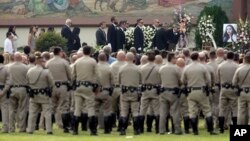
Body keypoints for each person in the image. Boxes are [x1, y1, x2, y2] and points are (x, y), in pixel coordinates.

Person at [181, 52, 217, 135]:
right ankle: (210, 130)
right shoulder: (203, 67)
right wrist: (208, 86)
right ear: (197, 57)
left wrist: (188, 83)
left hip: (191, 91)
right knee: (207, 110)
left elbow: (183, 80)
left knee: (192, 111)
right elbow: (208, 80)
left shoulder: (187, 68)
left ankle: (195, 130)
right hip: (202, 91)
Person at [72, 46, 99, 135]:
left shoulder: (77, 61)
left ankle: (75, 130)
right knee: (90, 108)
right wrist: (96, 87)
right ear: (90, 52)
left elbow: (73, 75)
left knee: (77, 108)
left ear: (83, 52)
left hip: (79, 86)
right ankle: (93, 130)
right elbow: (97, 75)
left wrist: (74, 85)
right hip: (89, 87)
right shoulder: (93, 61)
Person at [45, 47, 72, 133]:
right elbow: (70, 76)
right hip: (63, 86)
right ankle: (65, 127)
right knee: (64, 107)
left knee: (52, 107)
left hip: (52, 86)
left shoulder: (48, 63)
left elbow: (45, 75)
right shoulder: (64, 62)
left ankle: (49, 127)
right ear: (60, 52)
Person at [26, 55, 54, 135]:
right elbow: (52, 83)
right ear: (41, 62)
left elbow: (27, 82)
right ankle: (49, 130)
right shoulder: (46, 71)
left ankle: (30, 129)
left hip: (33, 95)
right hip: (44, 95)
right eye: (44, 61)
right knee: (47, 113)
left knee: (32, 113)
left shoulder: (29, 71)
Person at [118, 52, 142, 135]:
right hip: (135, 91)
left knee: (124, 111)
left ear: (125, 58)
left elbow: (119, 80)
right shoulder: (138, 69)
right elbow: (140, 81)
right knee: (135, 111)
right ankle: (137, 129)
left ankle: (122, 129)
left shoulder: (121, 68)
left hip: (124, 91)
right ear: (134, 59)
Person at [159, 52, 182, 135]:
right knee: (175, 112)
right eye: (175, 58)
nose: (176, 59)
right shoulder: (176, 68)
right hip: (173, 92)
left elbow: (160, 80)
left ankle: (161, 130)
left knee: (163, 112)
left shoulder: (162, 68)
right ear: (172, 58)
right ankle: (177, 129)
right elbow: (181, 80)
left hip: (163, 91)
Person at [139, 51, 161, 134]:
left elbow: (140, 80)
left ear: (147, 58)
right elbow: (160, 80)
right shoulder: (158, 68)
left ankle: (140, 128)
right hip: (155, 89)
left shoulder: (142, 68)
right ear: (154, 58)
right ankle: (157, 129)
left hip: (145, 90)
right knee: (156, 109)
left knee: (143, 109)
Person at [217, 52, 239, 133]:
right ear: (233, 57)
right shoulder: (237, 66)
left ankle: (221, 128)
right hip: (233, 89)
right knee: (235, 108)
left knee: (222, 108)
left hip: (223, 89)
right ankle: (235, 128)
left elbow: (218, 79)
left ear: (226, 56)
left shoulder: (220, 66)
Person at [8, 52, 29, 132]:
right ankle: (22, 127)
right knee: (22, 109)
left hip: (11, 89)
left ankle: (11, 127)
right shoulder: (25, 67)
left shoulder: (8, 67)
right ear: (21, 58)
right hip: (22, 89)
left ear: (14, 58)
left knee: (11, 109)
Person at [96, 53, 113, 134]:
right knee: (107, 110)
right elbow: (113, 81)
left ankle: (93, 128)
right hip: (106, 90)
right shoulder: (109, 67)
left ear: (98, 58)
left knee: (94, 110)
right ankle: (107, 129)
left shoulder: (94, 67)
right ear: (106, 58)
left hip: (95, 91)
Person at [232, 52, 250, 125]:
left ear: (244, 59)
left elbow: (234, 82)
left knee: (241, 111)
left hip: (242, 92)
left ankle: (241, 129)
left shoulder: (239, 69)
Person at [110, 51, 126, 128]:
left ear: (117, 57)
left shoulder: (112, 65)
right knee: (122, 107)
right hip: (124, 88)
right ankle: (121, 124)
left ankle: (113, 123)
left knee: (113, 107)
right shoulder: (127, 65)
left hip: (114, 88)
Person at [0, 54, 11, 133]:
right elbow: (9, 82)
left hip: (2, 88)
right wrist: (4, 91)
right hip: (3, 89)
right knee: (4, 110)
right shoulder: (6, 68)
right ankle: (5, 128)